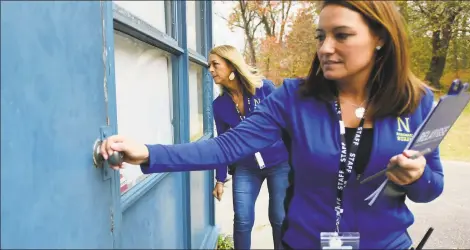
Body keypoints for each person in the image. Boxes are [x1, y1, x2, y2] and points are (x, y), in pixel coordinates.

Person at [100, 1, 444, 249]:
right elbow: (226, 146)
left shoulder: (417, 101)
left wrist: (418, 177)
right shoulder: (294, 97)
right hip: (306, 243)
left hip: (388, 244)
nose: (325, 48)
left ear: (380, 38)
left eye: (341, 35)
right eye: (320, 36)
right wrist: (147, 152)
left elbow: (431, 188)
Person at [208, 45, 290, 249]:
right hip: (246, 167)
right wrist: (219, 178)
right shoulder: (219, 105)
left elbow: (287, 123)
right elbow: (223, 143)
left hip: (279, 162)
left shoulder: (265, 89)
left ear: (231, 66)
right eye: (209, 65)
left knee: (279, 217)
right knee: (242, 219)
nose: (210, 69)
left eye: (215, 65)